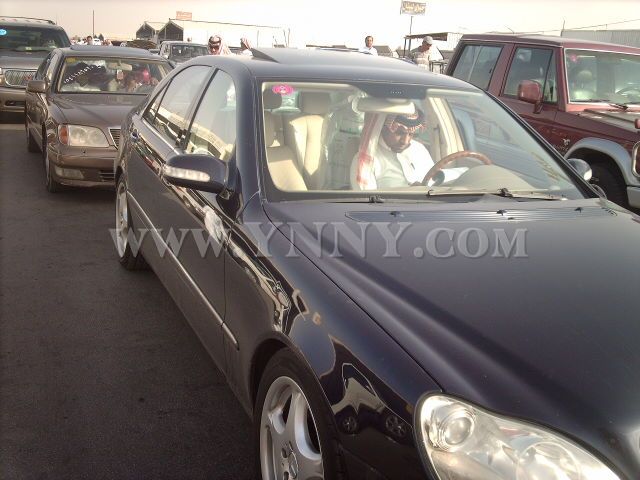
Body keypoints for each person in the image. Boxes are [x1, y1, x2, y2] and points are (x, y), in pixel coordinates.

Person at [353, 108, 434, 190]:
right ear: (383, 128)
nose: (405, 141)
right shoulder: (366, 160)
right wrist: (409, 193)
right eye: (400, 133)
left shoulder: (419, 149)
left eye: (411, 134)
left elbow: (434, 181)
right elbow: (367, 197)